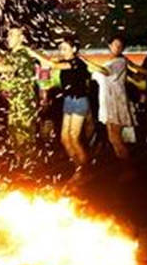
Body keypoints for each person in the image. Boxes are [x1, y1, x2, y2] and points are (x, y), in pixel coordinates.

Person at [26, 37, 108, 181]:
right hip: (68, 101)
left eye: (65, 48)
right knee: (65, 138)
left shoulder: (77, 62)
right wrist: (36, 53)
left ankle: (84, 171)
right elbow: (48, 63)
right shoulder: (67, 62)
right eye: (61, 49)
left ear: (74, 49)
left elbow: (51, 64)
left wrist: (31, 51)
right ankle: (80, 168)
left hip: (79, 101)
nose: (61, 51)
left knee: (74, 138)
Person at [0, 27, 38, 162]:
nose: (8, 38)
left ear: (22, 38)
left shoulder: (23, 53)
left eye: (13, 35)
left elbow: (9, 69)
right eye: (8, 34)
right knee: (14, 133)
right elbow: (7, 75)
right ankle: (21, 165)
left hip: (24, 102)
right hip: (15, 101)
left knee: (24, 134)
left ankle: (30, 167)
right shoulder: (11, 54)